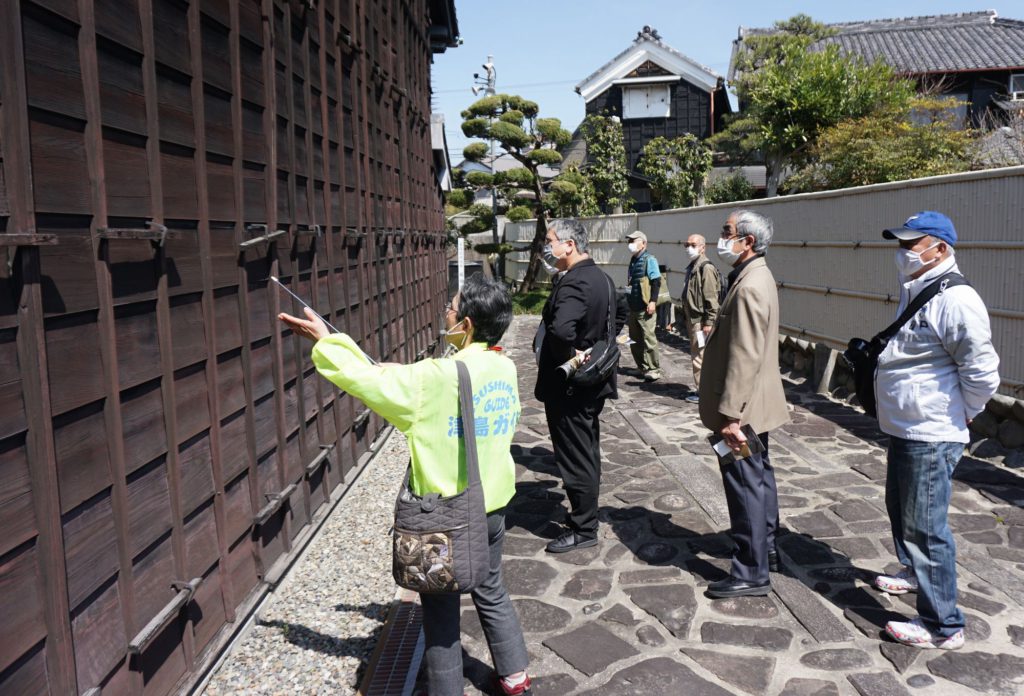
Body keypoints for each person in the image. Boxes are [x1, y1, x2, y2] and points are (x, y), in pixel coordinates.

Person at [278, 273, 533, 696]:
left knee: (439, 608)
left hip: (444, 514)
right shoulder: (503, 366)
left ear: (466, 324)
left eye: (452, 307)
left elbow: (366, 381)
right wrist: (395, 368)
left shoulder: (433, 377)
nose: (446, 312)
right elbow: (410, 378)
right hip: (493, 504)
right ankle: (515, 677)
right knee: (491, 587)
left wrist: (326, 341)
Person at [872, 211, 999, 650]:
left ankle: (943, 625)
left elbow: (981, 371)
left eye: (912, 243)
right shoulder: (919, 287)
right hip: (907, 426)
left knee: (926, 527)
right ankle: (913, 572)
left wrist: (966, 412)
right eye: (901, 243)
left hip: (931, 431)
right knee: (901, 510)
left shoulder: (957, 300)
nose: (903, 251)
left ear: (940, 248)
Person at [698, 210, 788, 598]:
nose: (721, 238)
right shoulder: (754, 275)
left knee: (745, 485)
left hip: (743, 408)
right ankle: (765, 548)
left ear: (747, 241)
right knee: (759, 478)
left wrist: (731, 416)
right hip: (756, 403)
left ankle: (751, 571)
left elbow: (745, 356)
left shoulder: (750, 285)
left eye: (727, 232)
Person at [536, 218, 628, 553]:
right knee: (586, 450)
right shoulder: (602, 277)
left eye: (550, 241)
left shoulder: (574, 282)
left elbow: (561, 330)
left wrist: (571, 358)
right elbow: (621, 313)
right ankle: (585, 515)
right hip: (594, 381)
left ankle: (584, 527)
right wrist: (600, 346)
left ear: (569, 245)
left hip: (571, 385)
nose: (547, 247)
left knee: (575, 456)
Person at [681, 234, 722, 404]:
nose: (688, 248)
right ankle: (704, 390)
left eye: (693, 244)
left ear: (703, 247)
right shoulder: (693, 266)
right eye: (687, 244)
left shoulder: (706, 268)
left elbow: (711, 298)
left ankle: (703, 393)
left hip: (700, 322)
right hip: (693, 320)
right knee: (699, 356)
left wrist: (709, 322)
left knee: (700, 357)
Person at [624, 230, 662, 381]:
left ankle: (654, 369)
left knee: (648, 339)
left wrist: (653, 301)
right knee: (634, 340)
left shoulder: (649, 259)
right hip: (633, 307)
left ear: (644, 243)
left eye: (633, 241)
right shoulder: (633, 259)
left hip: (645, 307)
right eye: (629, 241)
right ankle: (641, 367)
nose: (630, 244)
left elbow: (656, 281)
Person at [655, 263, 675, 332]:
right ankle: (664, 324)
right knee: (664, 303)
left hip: (665, 273)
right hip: (664, 272)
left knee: (666, 303)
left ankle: (666, 324)